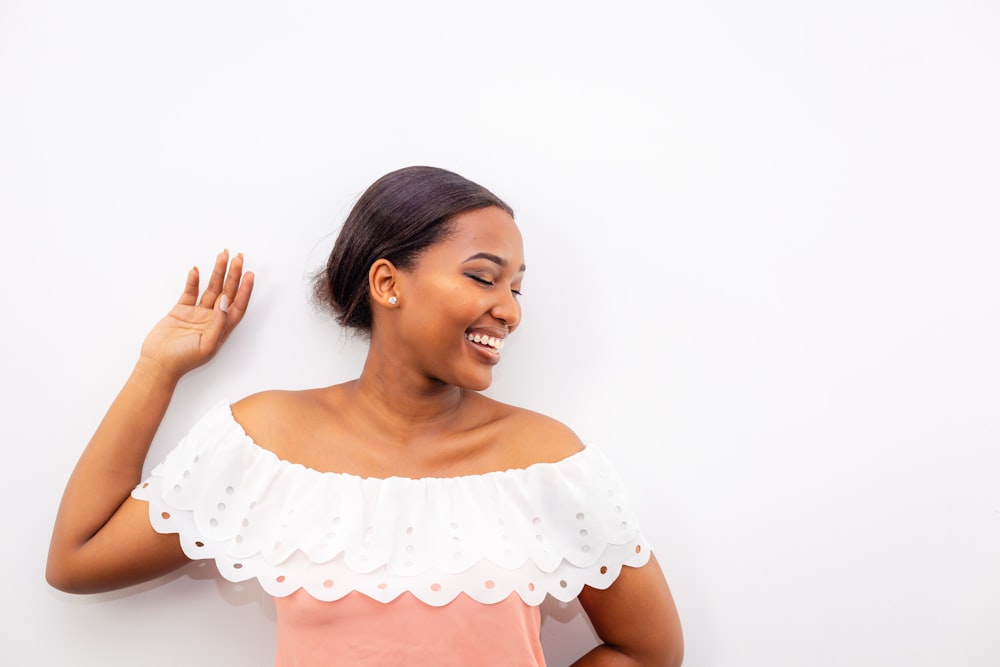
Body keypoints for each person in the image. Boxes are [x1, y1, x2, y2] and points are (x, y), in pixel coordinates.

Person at [46, 166, 683, 666]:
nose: (509, 311)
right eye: (484, 278)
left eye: (516, 288)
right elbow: (77, 560)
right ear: (387, 283)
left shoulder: (547, 461)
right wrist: (158, 368)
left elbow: (649, 649)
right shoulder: (267, 442)